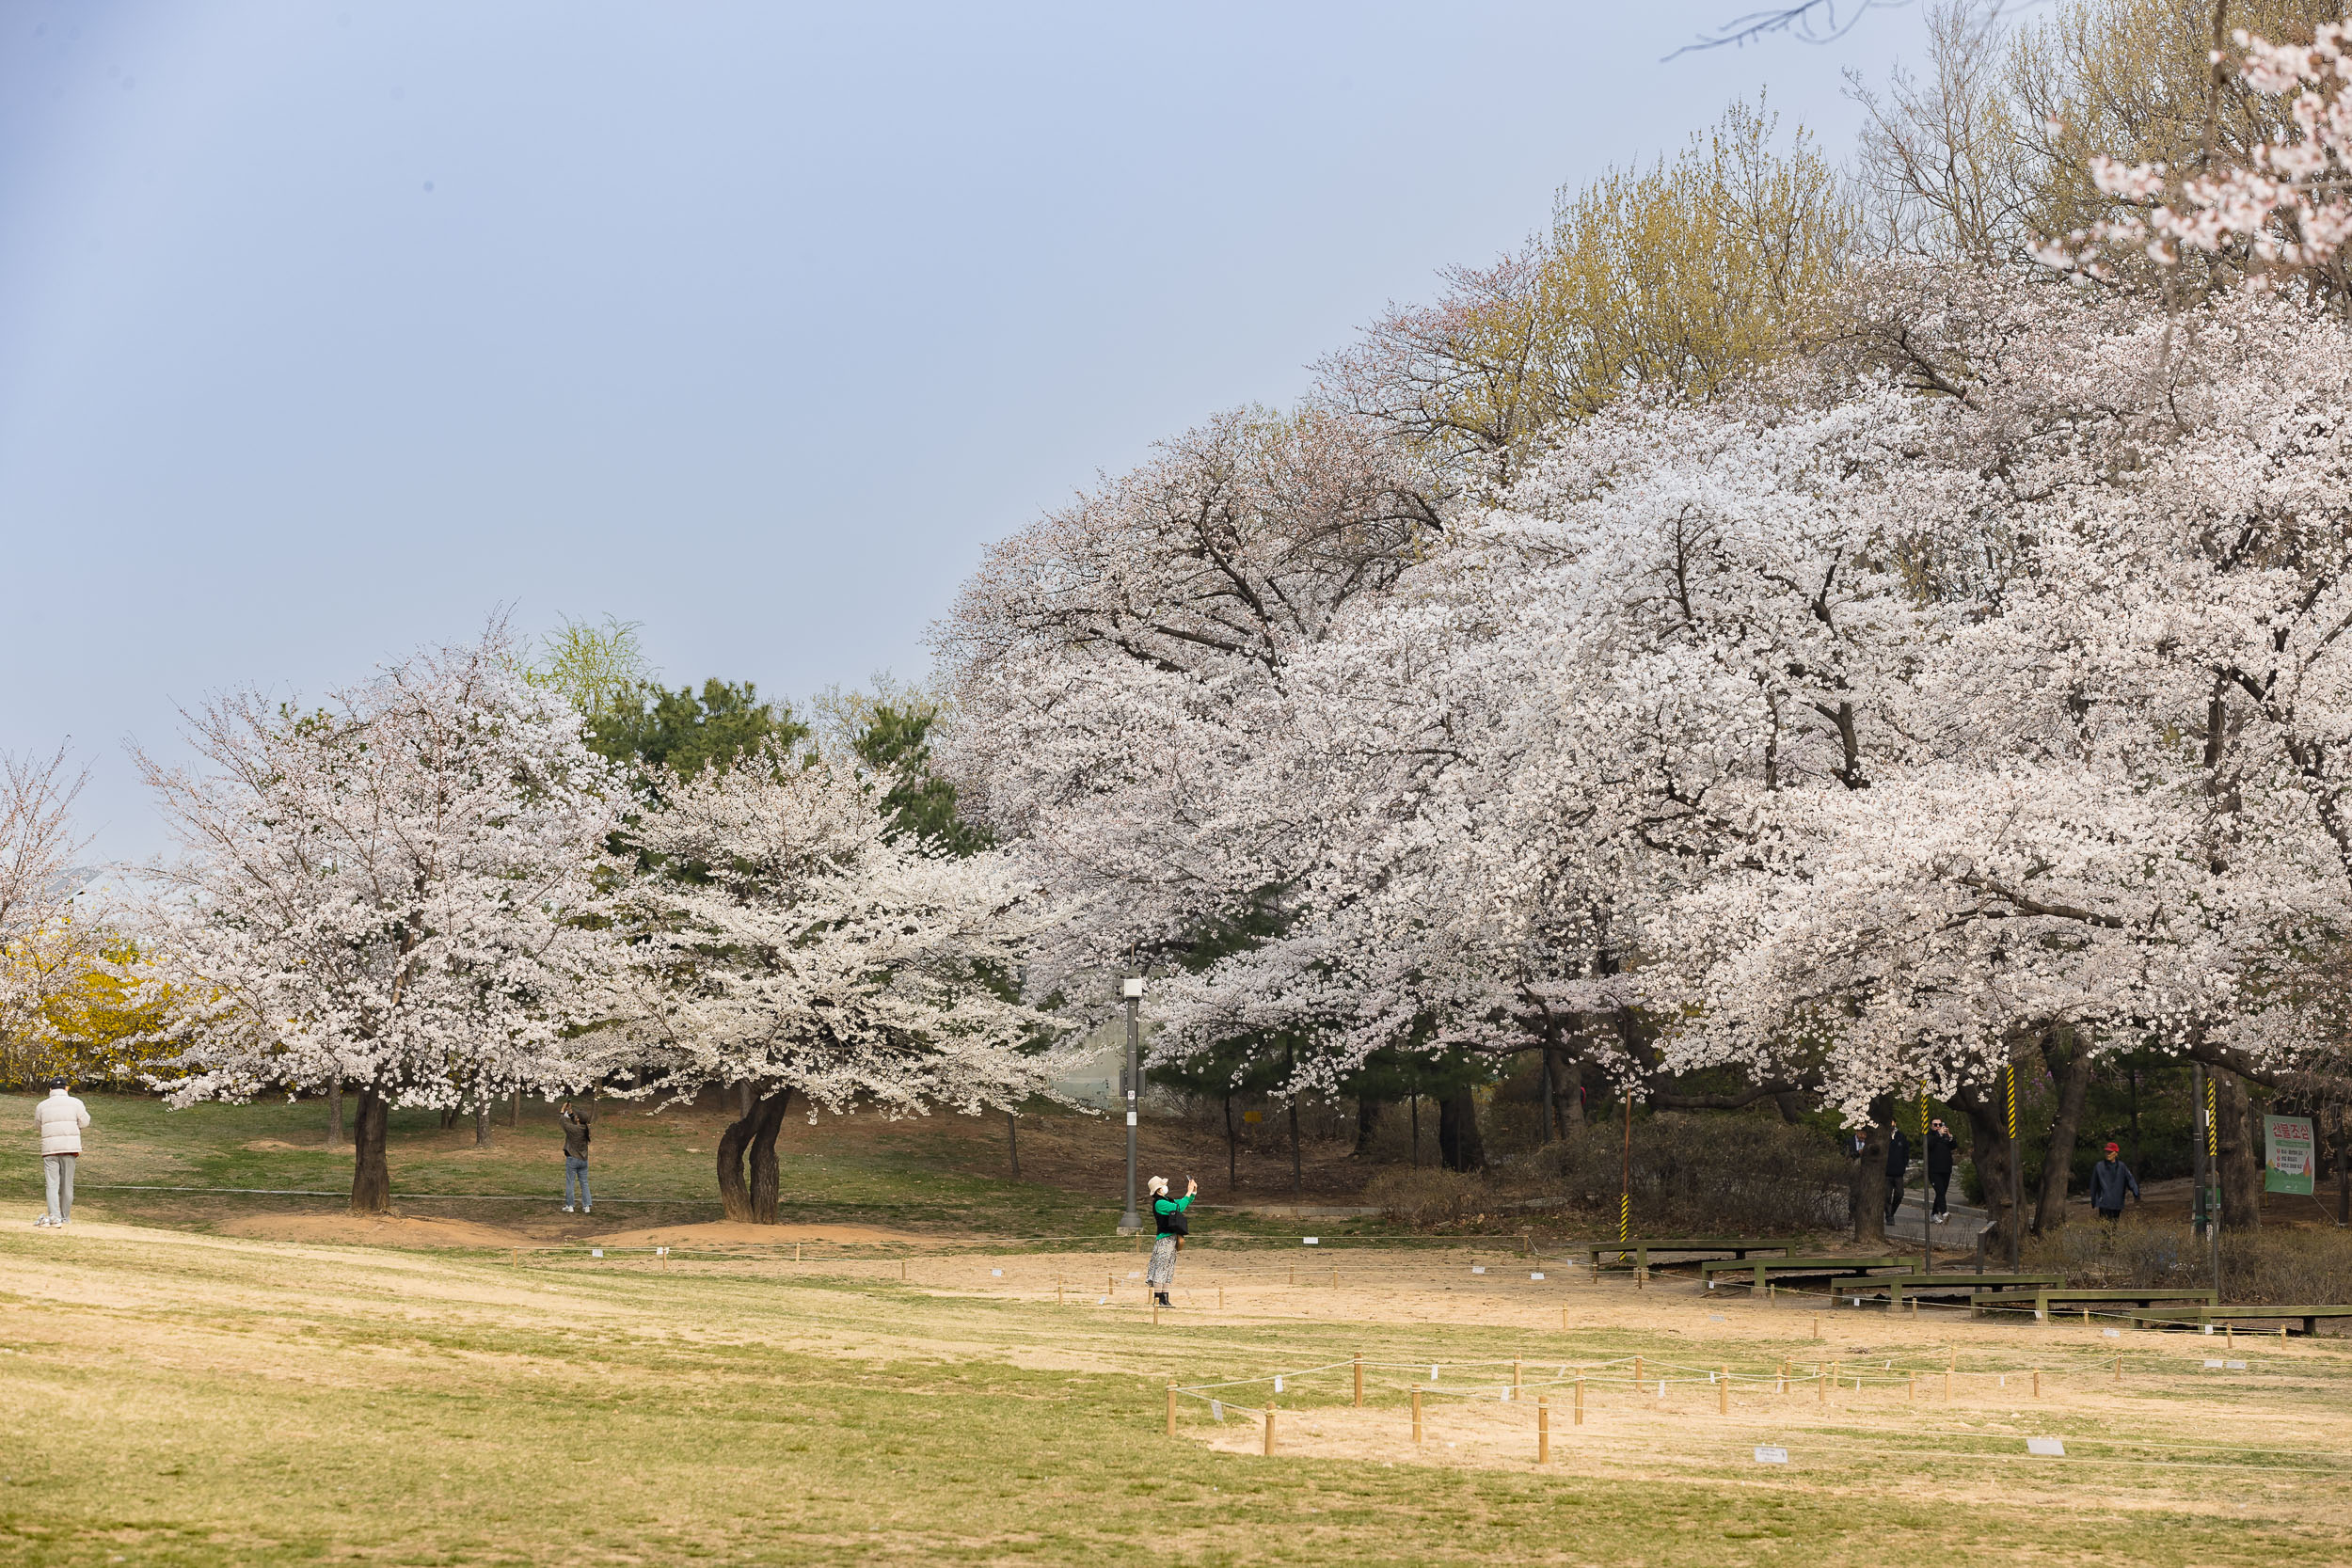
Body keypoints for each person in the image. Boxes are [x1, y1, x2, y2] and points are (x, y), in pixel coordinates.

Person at [34, 1079, 90, 1229]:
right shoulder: (76, 1103)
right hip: (69, 1148)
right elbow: (85, 1122)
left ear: (50, 1090)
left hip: (49, 1149)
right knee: (67, 1185)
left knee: (52, 1184)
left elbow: (38, 1126)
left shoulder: (41, 1105)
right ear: (66, 1088)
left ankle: (54, 1216)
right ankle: (65, 1217)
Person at [1145, 1174, 1196, 1307]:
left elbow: (1181, 1203)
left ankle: (1165, 1299)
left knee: (1168, 1269)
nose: (1166, 1187)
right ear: (1159, 1190)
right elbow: (1178, 1208)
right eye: (1163, 1186)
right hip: (1164, 1239)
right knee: (1161, 1269)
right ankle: (1158, 1298)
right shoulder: (1160, 1203)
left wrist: (1192, 1193)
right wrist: (1188, 1192)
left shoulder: (1167, 1200)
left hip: (1172, 1239)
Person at [2090, 1141, 2139, 1223]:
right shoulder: (2099, 1166)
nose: (2107, 1154)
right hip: (2104, 1202)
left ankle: (2111, 1236)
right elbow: (2093, 1184)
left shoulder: (2122, 1167)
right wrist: (2093, 1200)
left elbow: (2130, 1180)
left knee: (2114, 1225)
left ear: (2116, 1153)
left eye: (2110, 1152)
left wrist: (2136, 1192)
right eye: (2106, 1151)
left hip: (2117, 1201)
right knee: (2105, 1226)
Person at [559, 1101, 593, 1213]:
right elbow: (575, 1122)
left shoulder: (574, 1130)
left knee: (570, 1182)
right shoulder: (586, 1129)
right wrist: (571, 1112)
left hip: (573, 1159)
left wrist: (562, 1111)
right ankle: (587, 1206)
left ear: (578, 1119)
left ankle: (570, 1205)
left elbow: (563, 1123)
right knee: (584, 1182)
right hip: (584, 1160)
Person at [1925, 1117, 1958, 1223]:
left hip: (1946, 1169)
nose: (1938, 1127)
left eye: (1940, 1124)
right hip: (1934, 1170)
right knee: (1939, 1191)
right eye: (1935, 1125)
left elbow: (1953, 1146)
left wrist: (1950, 1136)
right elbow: (1930, 1144)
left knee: (1941, 1193)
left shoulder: (1945, 1137)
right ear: (1931, 1126)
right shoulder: (1929, 1136)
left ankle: (1934, 1214)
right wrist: (1938, 1134)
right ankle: (1944, 1212)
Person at [1884, 1124, 1912, 1223]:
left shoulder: (1901, 1136)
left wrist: (1903, 1164)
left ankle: (1891, 1212)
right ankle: (1888, 1215)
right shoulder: (1883, 1135)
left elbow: (1906, 1152)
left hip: (1898, 1172)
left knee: (1899, 1194)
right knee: (1886, 1195)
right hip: (1886, 1172)